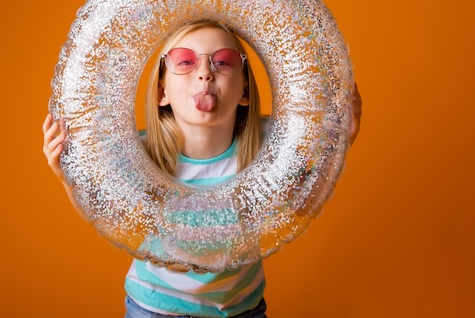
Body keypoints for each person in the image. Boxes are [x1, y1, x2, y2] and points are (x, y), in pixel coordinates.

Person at [43, 20, 362, 318]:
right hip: (154, 309)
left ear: (246, 91)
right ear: (162, 92)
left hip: (242, 309)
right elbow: (105, 213)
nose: (205, 73)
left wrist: (342, 140)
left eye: (223, 61)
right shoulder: (139, 153)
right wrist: (67, 177)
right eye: (185, 61)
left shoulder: (270, 147)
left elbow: (304, 201)